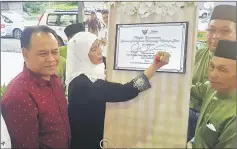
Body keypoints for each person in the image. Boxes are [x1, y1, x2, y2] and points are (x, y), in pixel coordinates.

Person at [66, 32, 170, 149]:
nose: (100, 51)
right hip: (86, 141)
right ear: (82, 55)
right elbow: (126, 91)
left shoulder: (85, 75)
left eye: (99, 46)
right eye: (94, 49)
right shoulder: (83, 84)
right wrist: (155, 66)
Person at [1, 26, 71, 148]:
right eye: (43, 54)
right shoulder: (19, 95)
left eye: (55, 52)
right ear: (25, 53)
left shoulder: (53, 79)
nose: (52, 59)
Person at [187, 4, 236, 142]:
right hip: (192, 120)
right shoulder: (195, 56)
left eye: (225, 31)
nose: (216, 36)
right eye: (211, 30)